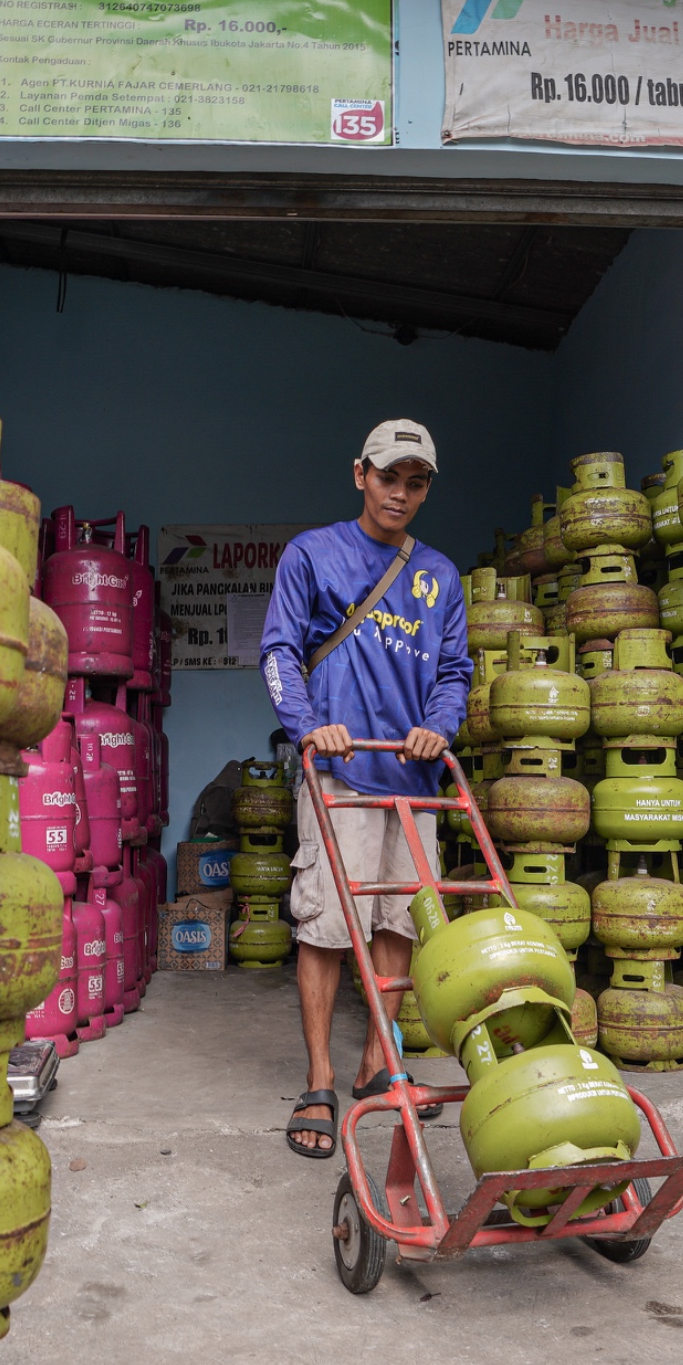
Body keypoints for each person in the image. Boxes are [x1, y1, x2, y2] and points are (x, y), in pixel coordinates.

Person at [258, 419, 471, 1158]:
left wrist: (439, 728)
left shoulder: (440, 576)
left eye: (416, 482)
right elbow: (281, 650)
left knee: (398, 924)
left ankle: (379, 1064)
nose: (401, 494)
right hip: (338, 776)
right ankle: (318, 1078)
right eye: (389, 477)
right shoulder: (313, 554)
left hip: (411, 780)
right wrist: (309, 725)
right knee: (324, 924)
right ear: (361, 475)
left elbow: (453, 673)